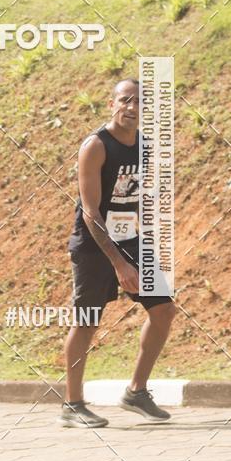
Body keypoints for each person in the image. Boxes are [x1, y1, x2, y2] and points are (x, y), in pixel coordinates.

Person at [60, 77, 176, 428]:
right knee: (86, 321)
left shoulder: (145, 145)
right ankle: (72, 405)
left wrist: (143, 243)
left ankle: (136, 392)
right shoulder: (96, 146)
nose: (132, 107)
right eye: (125, 100)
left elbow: (136, 197)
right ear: (112, 104)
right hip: (94, 243)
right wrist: (119, 264)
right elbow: (90, 211)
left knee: (164, 309)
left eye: (140, 102)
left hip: (130, 238)